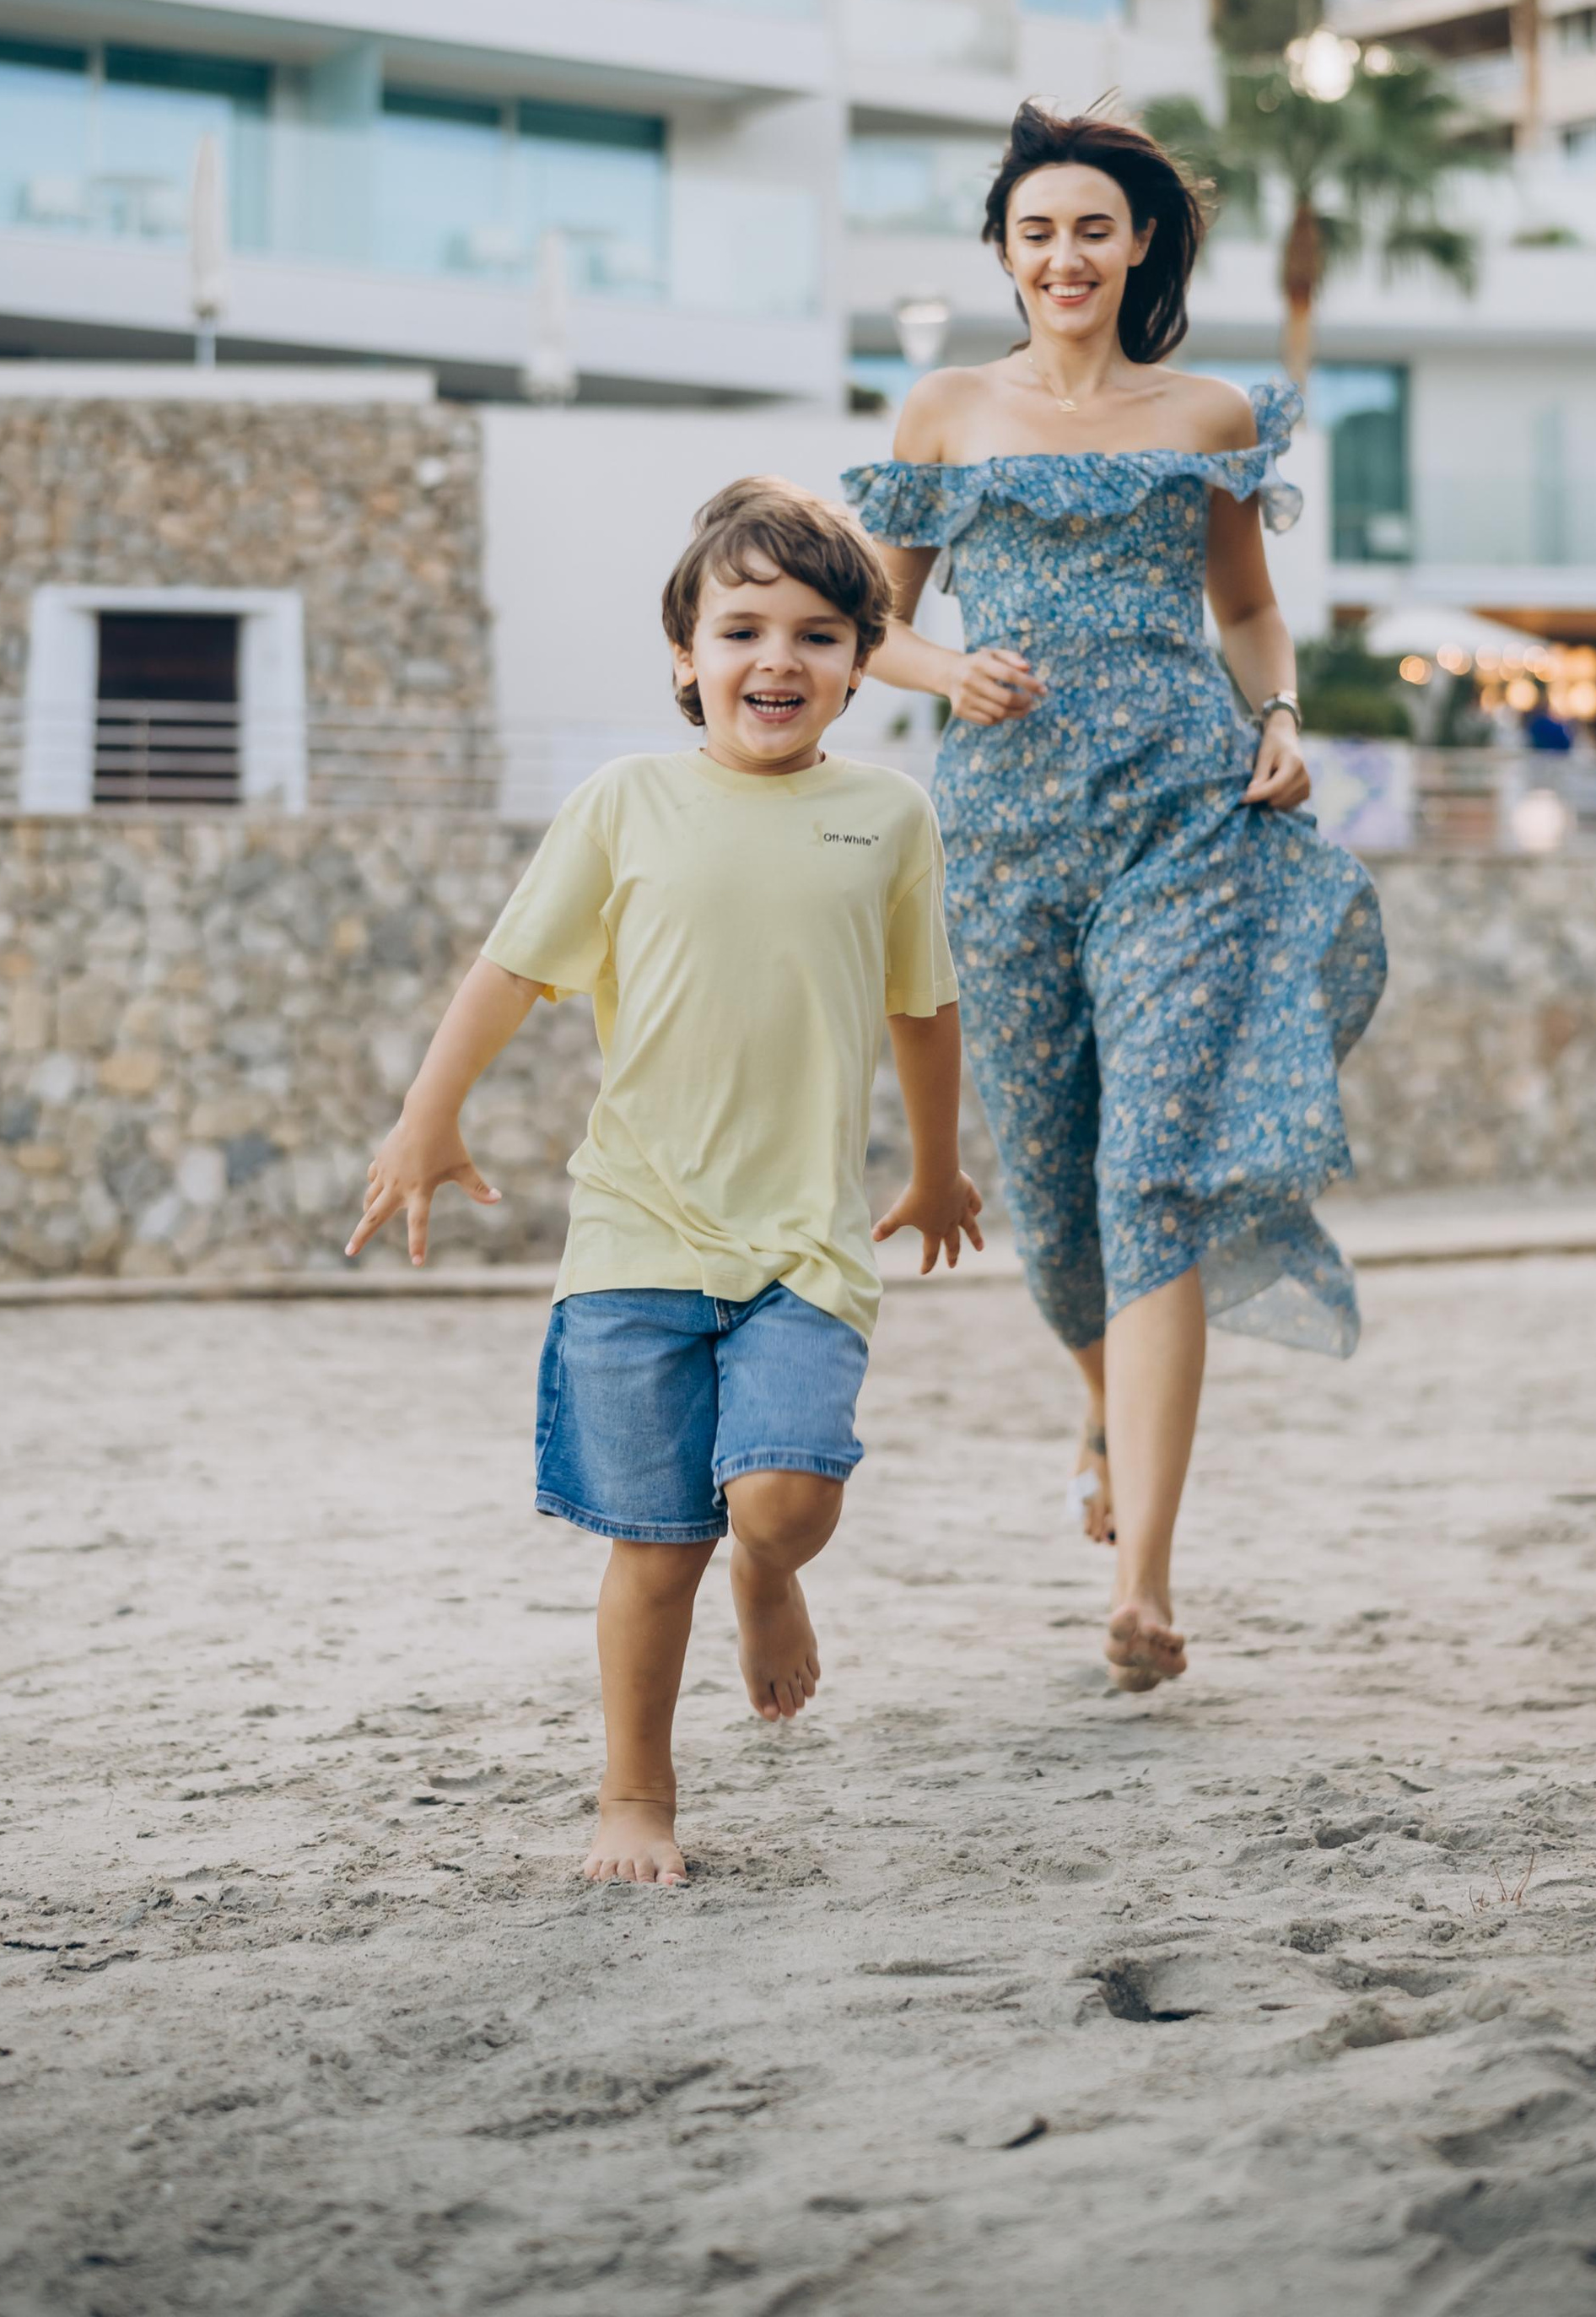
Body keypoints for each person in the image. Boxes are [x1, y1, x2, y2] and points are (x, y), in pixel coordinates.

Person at [348, 478, 980, 1888]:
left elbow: (923, 1010)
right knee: (654, 1546)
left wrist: (938, 1172)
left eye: (820, 635)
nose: (780, 661)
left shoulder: (889, 818)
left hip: (804, 1249)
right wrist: (425, 1120)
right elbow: (509, 971)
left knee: (784, 1502)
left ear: (861, 665)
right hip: (636, 1238)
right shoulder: (623, 803)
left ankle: (774, 1577)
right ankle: (636, 1796)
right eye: (743, 628)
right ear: (685, 657)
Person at [844, 102, 1385, 1694]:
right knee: (1060, 1214)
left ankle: (1145, 1580)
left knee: (1156, 1175)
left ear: (1139, 242)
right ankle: (1098, 1400)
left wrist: (1281, 726)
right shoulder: (945, 410)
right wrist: (952, 668)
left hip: (1184, 824)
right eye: (1037, 233)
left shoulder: (1209, 412)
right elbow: (869, 626)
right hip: (1003, 840)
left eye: (1094, 228)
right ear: (1006, 256)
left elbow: (1253, 613)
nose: (1066, 256)